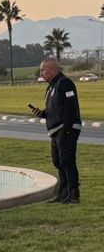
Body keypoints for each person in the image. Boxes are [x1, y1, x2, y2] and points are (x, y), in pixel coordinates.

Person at [30, 57, 81, 204]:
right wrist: (42, 113)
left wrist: (67, 130)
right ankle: (62, 192)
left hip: (66, 129)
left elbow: (70, 108)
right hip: (55, 130)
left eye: (43, 70)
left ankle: (73, 194)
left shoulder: (65, 84)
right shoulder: (51, 86)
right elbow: (56, 109)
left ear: (52, 69)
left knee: (67, 160)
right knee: (58, 161)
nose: (41, 73)